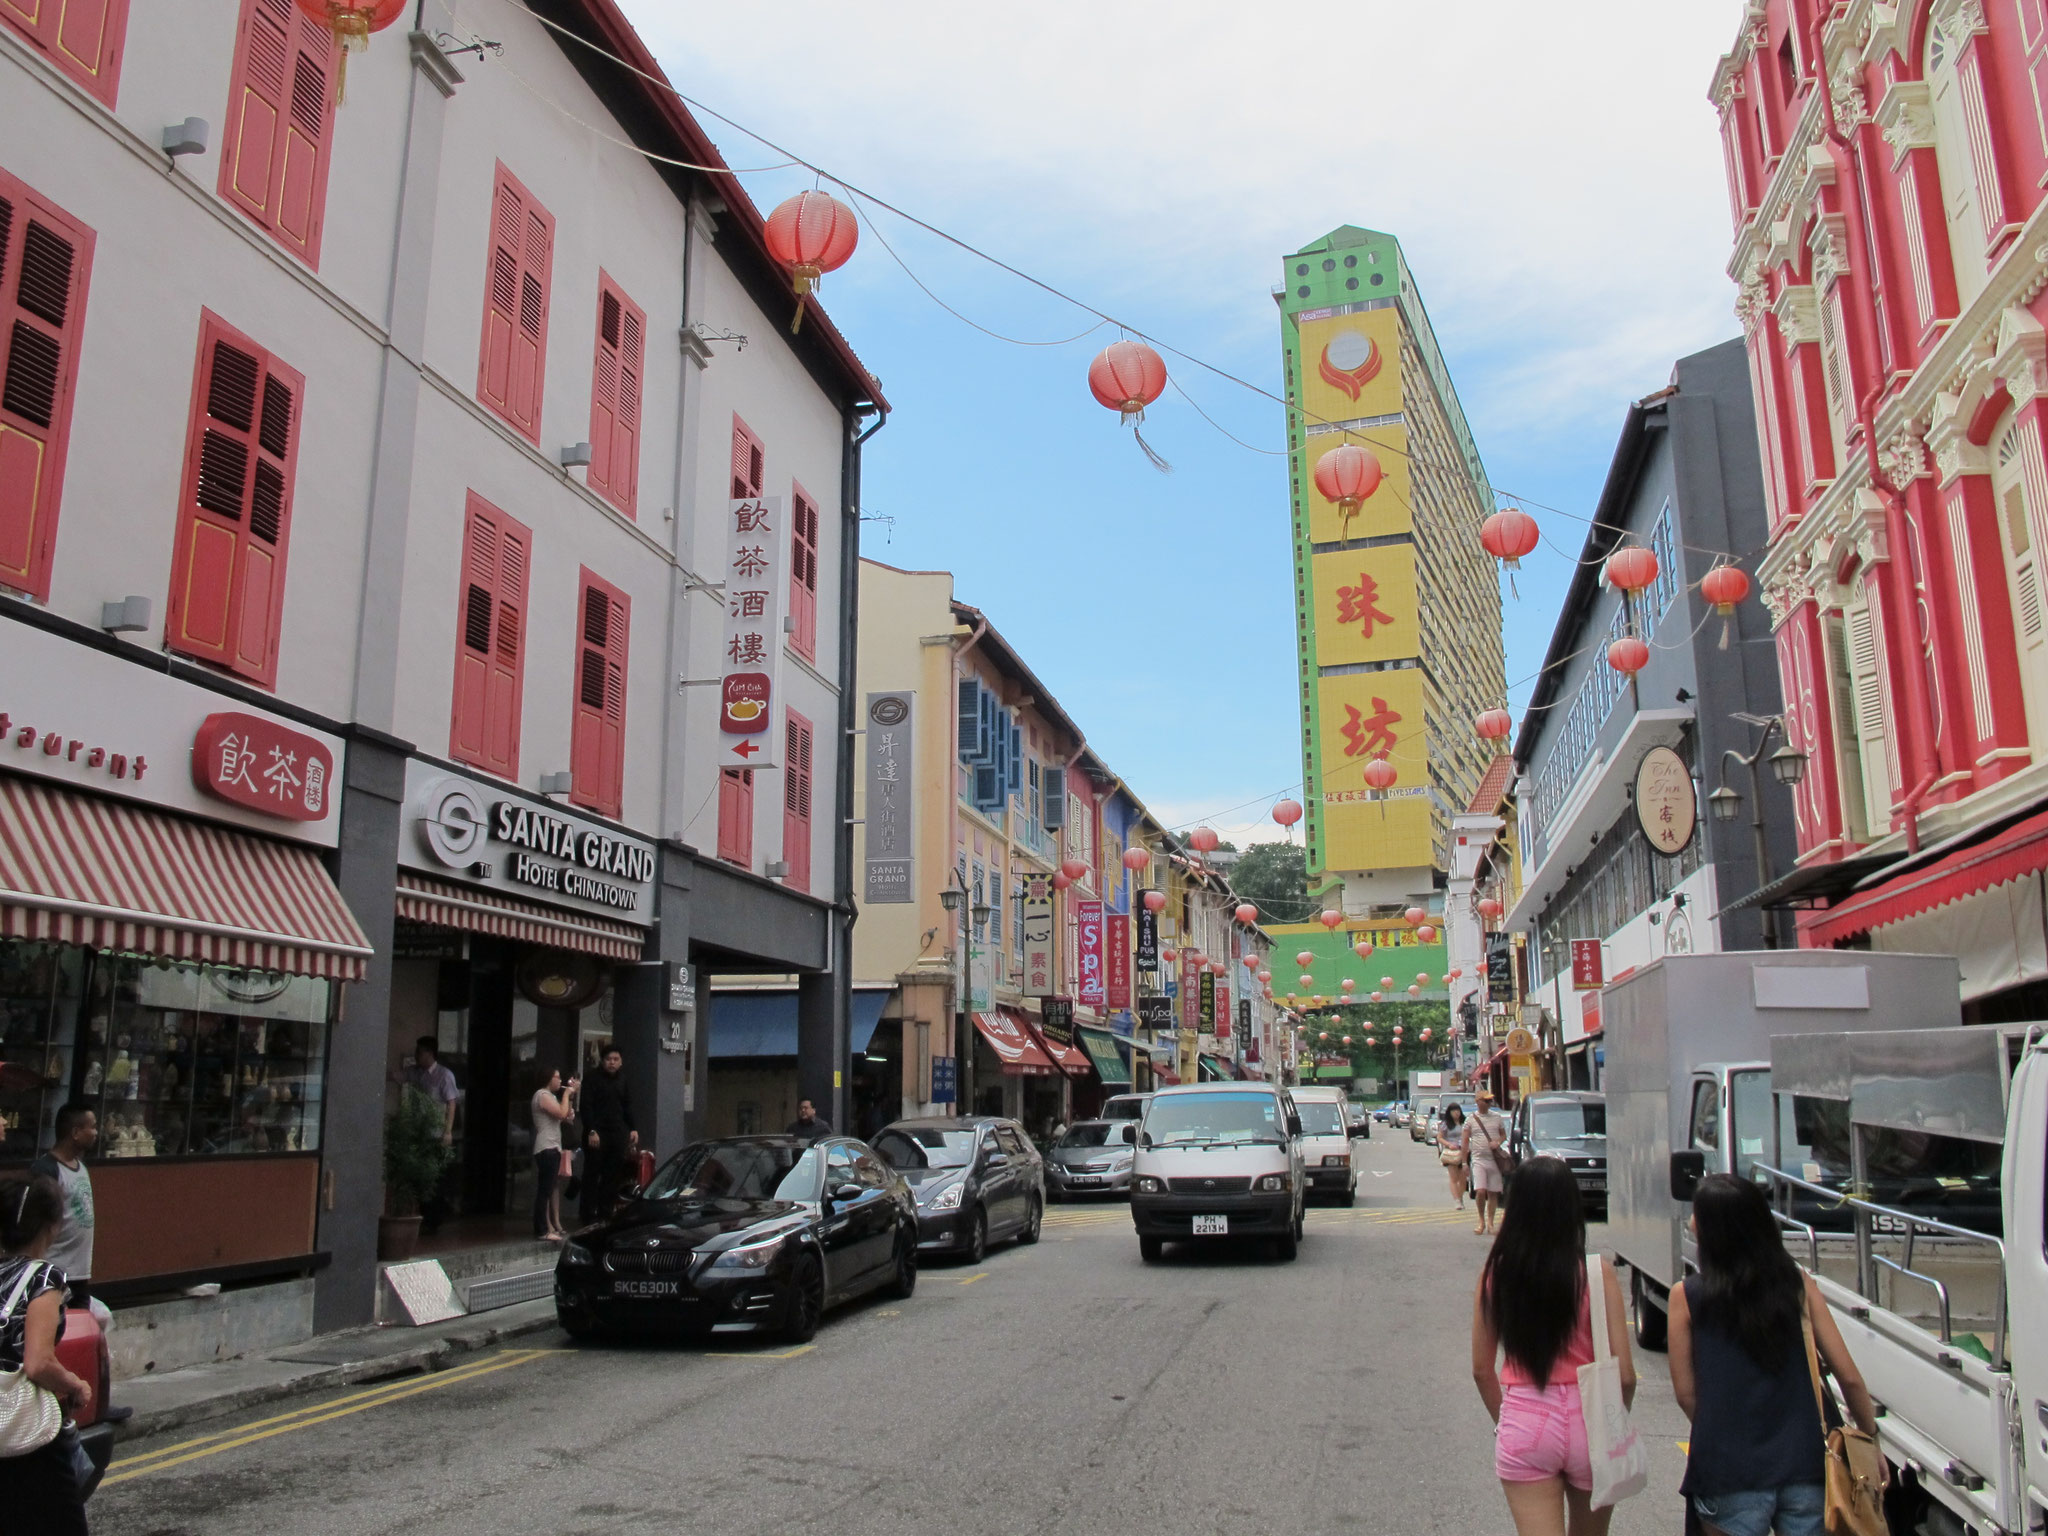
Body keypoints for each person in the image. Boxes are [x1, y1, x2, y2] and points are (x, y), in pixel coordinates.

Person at [1671, 1174, 1883, 1536]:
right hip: (1804, 1466)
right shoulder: (1798, 1285)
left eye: (1696, 1214)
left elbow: (1687, 1394)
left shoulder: (1687, 1296)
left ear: (1712, 1228)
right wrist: (1870, 1441)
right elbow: (1848, 1376)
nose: (1691, 1221)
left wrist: (1723, 1429)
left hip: (1727, 1470)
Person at [1472, 1156, 1634, 1536]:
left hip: (1526, 1420)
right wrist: (1612, 1423)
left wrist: (1507, 1424)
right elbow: (1625, 1375)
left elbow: (1481, 1369)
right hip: (1591, 1422)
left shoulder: (1497, 1272)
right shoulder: (1597, 1274)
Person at [0, 1172, 95, 1535]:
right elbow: (38, 1361)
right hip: (26, 1435)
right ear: (52, 1226)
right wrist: (74, 1385)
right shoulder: (43, 1278)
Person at [29, 1103, 128, 1426]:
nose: (96, 1132)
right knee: (50, 1342)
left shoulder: (79, 1166)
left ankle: (90, 1404)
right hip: (53, 1275)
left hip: (79, 1273)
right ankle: (46, 1408)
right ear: (74, 1132)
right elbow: (36, 1221)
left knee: (84, 1340)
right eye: (91, 1126)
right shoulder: (47, 1169)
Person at [398, 1037, 460, 1233]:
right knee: (421, 1176)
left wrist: (447, 1131)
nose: (417, 1056)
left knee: (435, 1177)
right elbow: (398, 1076)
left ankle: (434, 1220)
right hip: (420, 1133)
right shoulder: (416, 1073)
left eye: (420, 1052)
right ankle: (425, 1217)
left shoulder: (444, 1075)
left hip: (436, 1134)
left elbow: (451, 1103)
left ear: (430, 1053)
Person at [578, 1045, 637, 1224]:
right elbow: (586, 1107)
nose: (612, 1063)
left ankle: (605, 1214)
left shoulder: (623, 1080)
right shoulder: (592, 1078)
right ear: (602, 1061)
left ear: (621, 1062)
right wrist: (591, 1130)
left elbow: (627, 1106)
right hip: (597, 1133)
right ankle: (587, 1216)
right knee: (592, 1174)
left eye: (615, 1059)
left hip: (617, 1133)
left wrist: (633, 1128)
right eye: (608, 1059)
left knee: (612, 1176)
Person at [530, 1070, 577, 1241]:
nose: (560, 1080)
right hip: (546, 1147)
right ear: (548, 1078)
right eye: (557, 1077)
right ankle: (542, 1229)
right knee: (545, 1189)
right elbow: (560, 1113)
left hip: (554, 1146)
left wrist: (570, 1098)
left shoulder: (551, 1096)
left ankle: (547, 1226)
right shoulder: (542, 1095)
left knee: (549, 1187)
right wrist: (566, 1094)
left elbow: (567, 1116)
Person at [1464, 1088, 1510, 1236]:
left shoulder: (1496, 1117)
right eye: (1486, 1100)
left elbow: (1504, 1135)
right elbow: (1464, 1141)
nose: (1489, 1103)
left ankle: (1490, 1222)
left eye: (1490, 1101)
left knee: (1493, 1192)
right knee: (1480, 1190)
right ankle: (1481, 1220)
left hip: (1494, 1160)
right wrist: (1464, 1162)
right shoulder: (1471, 1119)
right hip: (1478, 1159)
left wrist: (1497, 1142)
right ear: (1478, 1102)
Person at [1438, 1102, 1469, 1212]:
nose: (1456, 1113)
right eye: (1454, 1111)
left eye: (1458, 1111)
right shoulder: (1446, 1124)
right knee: (1453, 1178)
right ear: (1449, 1113)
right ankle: (1456, 1200)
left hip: (1464, 1152)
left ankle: (1460, 1198)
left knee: (1463, 1179)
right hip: (1452, 1153)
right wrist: (1449, 1144)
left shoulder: (1465, 1123)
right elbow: (1440, 1137)